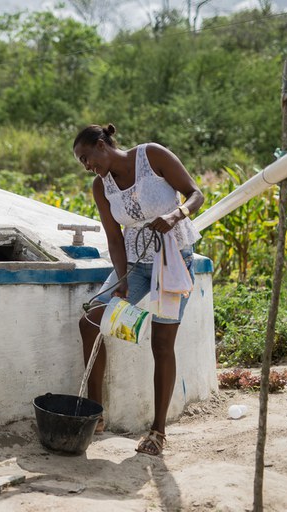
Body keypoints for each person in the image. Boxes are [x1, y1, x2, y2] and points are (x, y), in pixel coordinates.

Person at [72, 123, 205, 456]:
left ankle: (158, 432)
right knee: (90, 322)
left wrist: (176, 215)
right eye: (82, 163)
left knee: (162, 343)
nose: (88, 166)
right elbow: (114, 238)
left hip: (173, 259)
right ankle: (95, 414)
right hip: (134, 266)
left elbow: (196, 194)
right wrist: (121, 280)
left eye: (87, 157)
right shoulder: (100, 187)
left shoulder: (152, 156)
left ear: (102, 145)